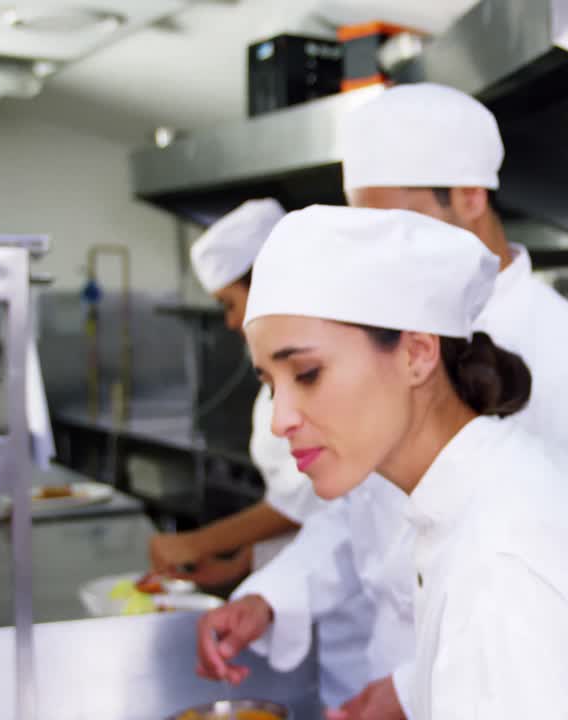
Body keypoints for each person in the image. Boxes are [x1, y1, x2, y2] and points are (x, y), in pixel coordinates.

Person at [206, 81, 568, 718]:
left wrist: (411, 687)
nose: (378, 254)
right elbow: (363, 520)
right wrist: (275, 596)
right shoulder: (387, 383)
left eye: (395, 225)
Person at [154, 198, 374, 707]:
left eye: (230, 303)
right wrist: (256, 582)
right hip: (334, 636)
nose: (229, 321)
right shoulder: (298, 375)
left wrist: (204, 541)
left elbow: (312, 505)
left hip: (366, 646)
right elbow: (345, 524)